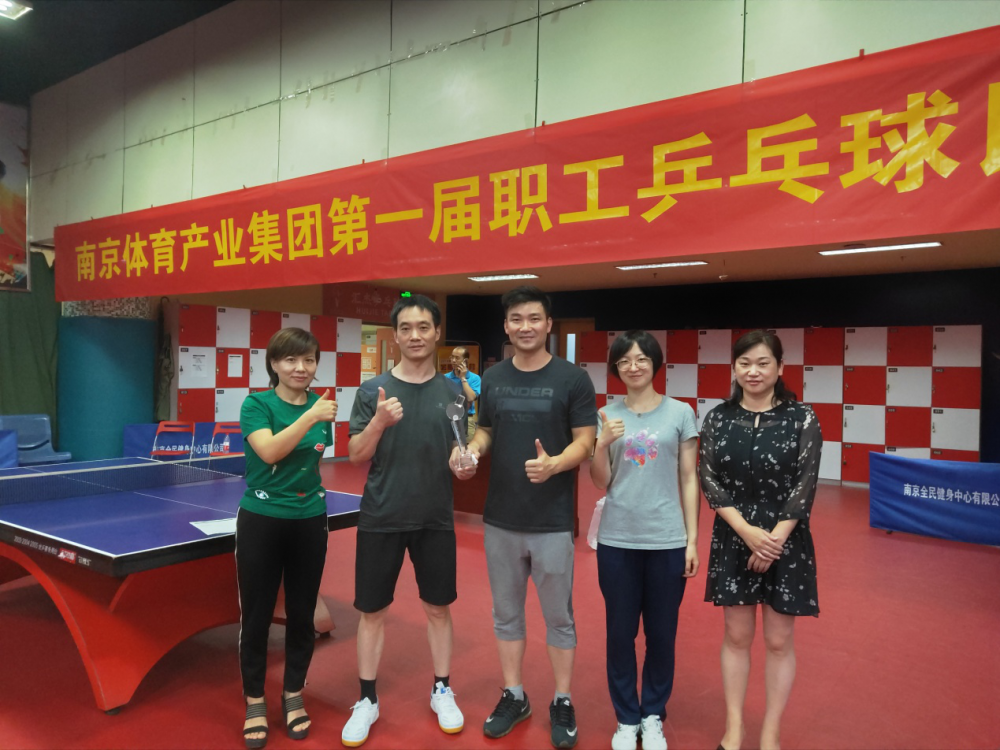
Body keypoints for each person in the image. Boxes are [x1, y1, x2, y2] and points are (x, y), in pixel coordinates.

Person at [450, 286, 597, 748]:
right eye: (516, 319)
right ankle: (514, 695)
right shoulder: (492, 378)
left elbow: (586, 441)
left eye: (534, 318)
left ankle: (562, 699)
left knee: (559, 618)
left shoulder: (573, 379)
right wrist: (473, 450)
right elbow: (485, 429)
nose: (525, 326)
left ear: (548, 324)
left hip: (551, 519)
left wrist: (555, 464)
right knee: (506, 614)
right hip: (501, 518)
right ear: (506, 326)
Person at [341, 294, 465, 747]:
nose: (415, 336)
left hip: (435, 517)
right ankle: (367, 699)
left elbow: (458, 449)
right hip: (382, 515)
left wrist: (463, 464)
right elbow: (355, 455)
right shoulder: (372, 390)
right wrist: (378, 422)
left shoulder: (453, 393)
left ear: (437, 333)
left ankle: (442, 689)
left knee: (438, 608)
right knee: (372, 612)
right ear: (395, 336)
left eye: (424, 327)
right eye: (406, 328)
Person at [699, 330, 822, 750]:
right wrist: (748, 533)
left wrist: (773, 541)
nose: (753, 371)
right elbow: (709, 478)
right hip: (735, 534)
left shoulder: (802, 417)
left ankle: (771, 731)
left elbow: (805, 483)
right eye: (745, 363)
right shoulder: (718, 418)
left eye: (763, 362)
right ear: (734, 368)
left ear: (780, 367)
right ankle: (735, 727)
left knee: (778, 640)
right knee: (736, 636)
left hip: (785, 539)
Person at [589, 330, 700, 750]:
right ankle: (626, 718)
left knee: (661, 634)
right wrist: (601, 444)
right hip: (617, 540)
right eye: (624, 361)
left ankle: (652, 714)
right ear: (616, 368)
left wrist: (691, 540)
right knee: (619, 634)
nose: (633, 367)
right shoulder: (605, 414)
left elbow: (688, 478)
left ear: (655, 363)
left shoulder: (680, 413)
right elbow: (600, 480)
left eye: (641, 359)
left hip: (667, 540)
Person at [238, 327, 338, 749]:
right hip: (262, 519)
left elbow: (312, 463)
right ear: (274, 364)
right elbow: (270, 451)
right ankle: (255, 700)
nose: (301, 368)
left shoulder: (322, 406)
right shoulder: (256, 405)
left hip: (309, 520)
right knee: (257, 616)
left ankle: (293, 693)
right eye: (291, 359)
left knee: (302, 615)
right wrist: (311, 416)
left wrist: (317, 413)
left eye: (309, 360)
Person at [443, 345, 481, 440]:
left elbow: (471, 398)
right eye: (452, 357)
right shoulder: (445, 378)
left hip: (467, 418)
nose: (453, 360)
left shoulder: (475, 378)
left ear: (465, 361)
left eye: (457, 358)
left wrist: (463, 378)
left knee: (467, 447)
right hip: (449, 418)